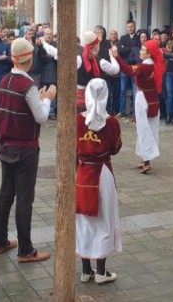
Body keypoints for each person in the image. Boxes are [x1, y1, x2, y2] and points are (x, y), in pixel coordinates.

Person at [0, 38, 56, 263]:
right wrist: (47, 100)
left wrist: (38, 100)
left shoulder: (3, 81)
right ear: (29, 60)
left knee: (5, 194)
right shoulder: (28, 85)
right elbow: (40, 117)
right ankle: (26, 250)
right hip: (25, 148)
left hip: (5, 145)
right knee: (24, 199)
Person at [76, 79, 123, 285]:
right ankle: (101, 271)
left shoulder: (77, 120)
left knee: (84, 221)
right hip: (103, 173)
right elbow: (115, 148)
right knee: (104, 220)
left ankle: (86, 270)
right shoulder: (112, 122)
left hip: (83, 173)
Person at [111, 40, 165, 173]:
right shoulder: (156, 66)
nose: (140, 52)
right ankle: (145, 157)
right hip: (153, 99)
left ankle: (146, 160)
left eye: (143, 50)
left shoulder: (143, 67)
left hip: (143, 98)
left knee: (143, 128)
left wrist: (116, 56)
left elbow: (127, 70)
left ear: (149, 54)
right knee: (151, 128)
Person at [117, 20, 141, 118]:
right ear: (126, 28)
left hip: (134, 67)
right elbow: (120, 50)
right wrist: (131, 49)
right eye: (128, 27)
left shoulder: (138, 38)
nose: (130, 28)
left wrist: (126, 49)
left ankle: (135, 113)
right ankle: (122, 111)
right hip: (125, 66)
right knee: (122, 90)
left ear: (134, 27)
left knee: (135, 91)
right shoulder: (123, 38)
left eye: (131, 26)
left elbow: (137, 51)